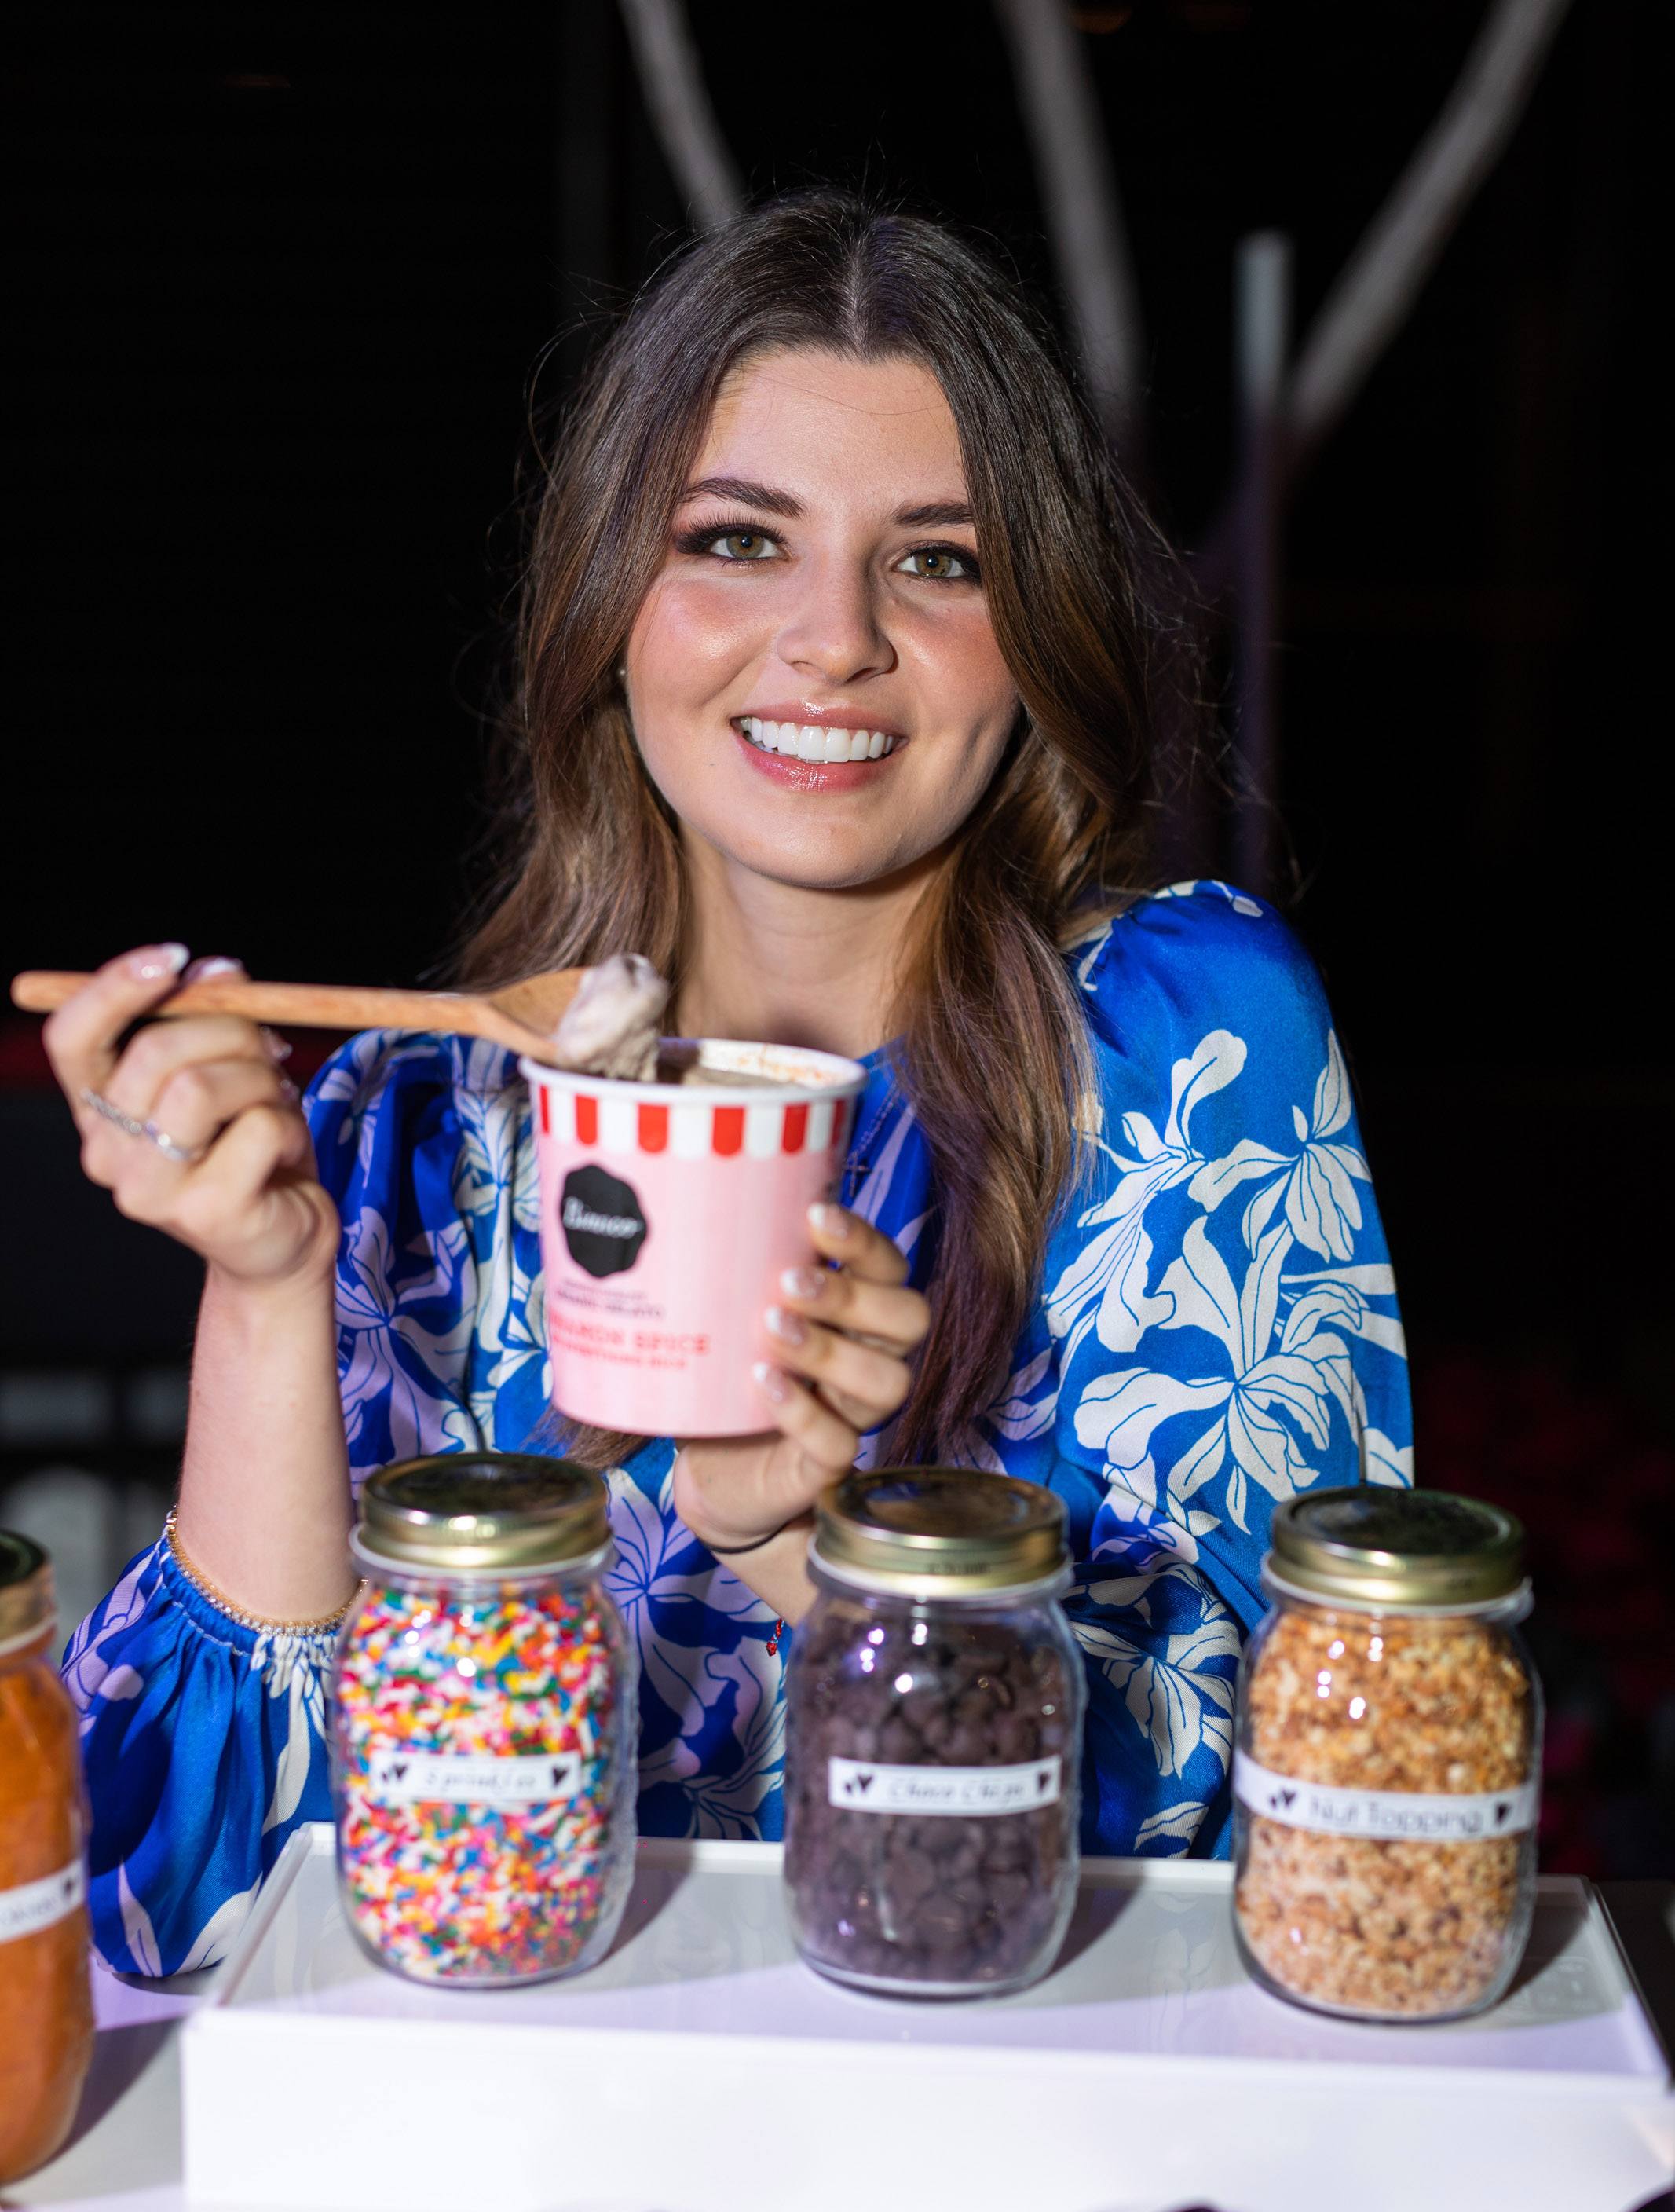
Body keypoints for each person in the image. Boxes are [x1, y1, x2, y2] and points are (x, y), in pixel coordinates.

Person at [47, 196, 1410, 1976]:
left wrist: (803, 1557)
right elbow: (191, 1894)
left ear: (1036, 635)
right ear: (611, 602)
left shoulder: (1180, 1047)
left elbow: (1287, 1833)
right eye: (737, 538)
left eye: (938, 560)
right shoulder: (416, 1121)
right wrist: (263, 1291)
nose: (830, 638)